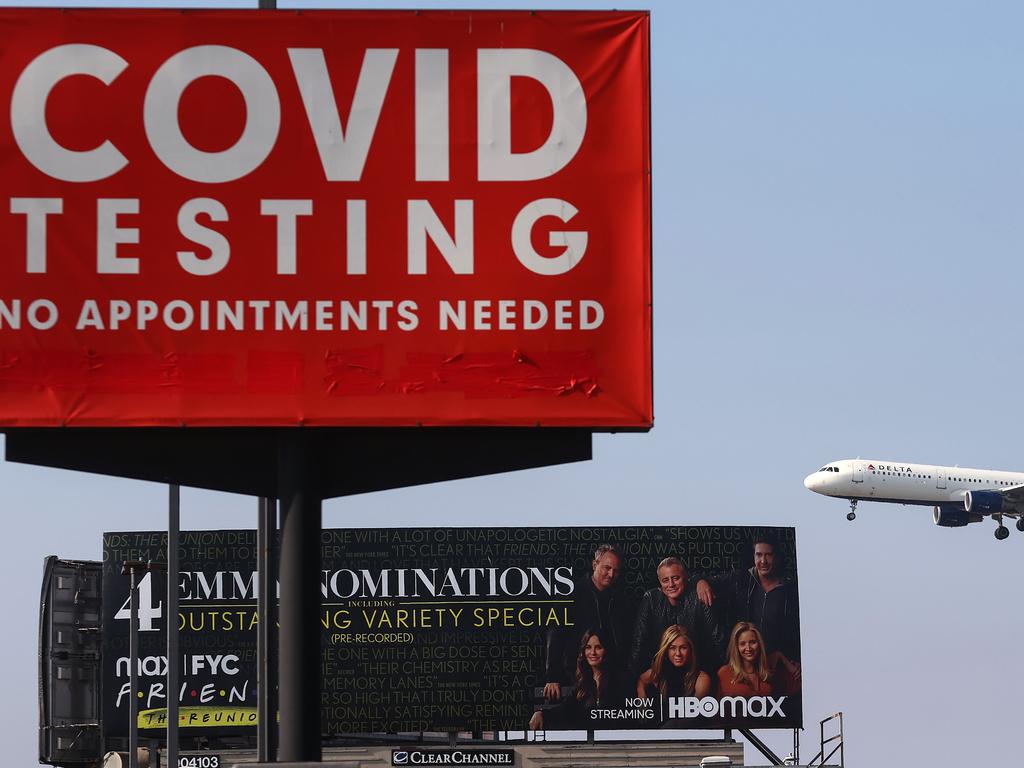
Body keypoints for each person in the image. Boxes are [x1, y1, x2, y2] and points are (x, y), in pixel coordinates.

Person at [543, 544, 635, 702]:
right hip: (575, 675)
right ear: (594, 565)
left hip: (610, 677)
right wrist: (553, 676)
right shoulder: (571, 595)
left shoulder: (621, 600)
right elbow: (555, 636)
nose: (611, 574)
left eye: (616, 570)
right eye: (607, 568)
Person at [695, 534, 801, 668]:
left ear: (777, 556)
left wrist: (789, 657)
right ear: (753, 556)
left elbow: (795, 631)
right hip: (742, 660)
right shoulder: (741, 579)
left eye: (768, 555)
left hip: (774, 663)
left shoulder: (789, 589)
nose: (763, 561)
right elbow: (704, 580)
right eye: (759, 555)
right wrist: (700, 582)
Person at [629, 556, 725, 678]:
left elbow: (717, 636)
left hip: (696, 670)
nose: (671, 584)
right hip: (660, 672)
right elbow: (639, 640)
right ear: (660, 582)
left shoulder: (699, 596)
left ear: (685, 577)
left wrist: (722, 672)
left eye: (675, 578)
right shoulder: (651, 599)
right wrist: (635, 676)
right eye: (665, 580)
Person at [529, 629, 627, 730]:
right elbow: (565, 710)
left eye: (598, 647)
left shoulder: (619, 679)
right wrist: (541, 713)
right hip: (588, 742)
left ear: (606, 650)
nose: (592, 652)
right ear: (583, 651)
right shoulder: (582, 683)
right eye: (588, 647)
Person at [637, 624, 711, 699]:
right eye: (672, 648)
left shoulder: (701, 679)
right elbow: (641, 681)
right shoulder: (657, 673)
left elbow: (695, 710)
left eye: (683, 648)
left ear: (690, 649)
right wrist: (642, 701)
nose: (678, 653)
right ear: (666, 651)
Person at [717, 621, 773, 697]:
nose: (748, 648)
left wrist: (781, 656)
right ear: (736, 647)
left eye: (752, 642)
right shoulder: (724, 672)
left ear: (759, 644)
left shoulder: (767, 672)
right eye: (742, 644)